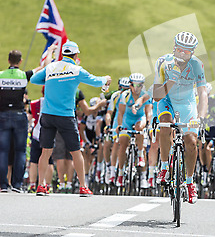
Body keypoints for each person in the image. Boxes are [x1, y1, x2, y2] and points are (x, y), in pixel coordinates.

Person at [30, 40, 111, 197]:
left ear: (63, 53)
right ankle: (82, 186)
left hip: (47, 114)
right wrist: (106, 78)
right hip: (65, 116)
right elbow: (96, 81)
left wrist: (48, 77)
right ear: (75, 54)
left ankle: (41, 186)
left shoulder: (51, 67)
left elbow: (33, 80)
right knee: (75, 152)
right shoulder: (76, 69)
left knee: (45, 152)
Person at [153, 31, 208, 204]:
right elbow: (156, 96)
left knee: (191, 141)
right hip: (166, 101)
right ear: (174, 48)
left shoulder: (197, 65)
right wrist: (170, 82)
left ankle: (190, 183)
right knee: (165, 124)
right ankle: (163, 168)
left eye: (186, 51)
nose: (182, 54)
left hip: (187, 103)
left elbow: (202, 92)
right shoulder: (163, 62)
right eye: (179, 50)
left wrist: (200, 116)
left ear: (192, 52)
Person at [0, 45, 55, 192]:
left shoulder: (1, 75)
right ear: (20, 61)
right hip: (19, 115)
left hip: (3, 115)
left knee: (3, 151)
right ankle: (17, 185)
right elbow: (43, 68)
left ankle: (3, 185)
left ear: (8, 60)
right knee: (20, 151)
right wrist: (49, 52)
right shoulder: (24, 75)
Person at [116, 73, 152, 188]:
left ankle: (142, 171)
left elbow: (148, 112)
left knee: (139, 129)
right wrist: (120, 126)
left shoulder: (145, 95)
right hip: (127, 119)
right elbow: (120, 113)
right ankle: (120, 174)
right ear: (130, 85)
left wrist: (148, 123)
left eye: (139, 85)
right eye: (133, 85)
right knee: (123, 143)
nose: (136, 88)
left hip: (140, 118)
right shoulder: (125, 95)